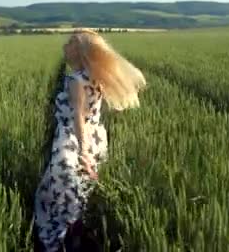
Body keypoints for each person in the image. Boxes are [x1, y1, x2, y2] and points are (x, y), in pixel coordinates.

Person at [33, 28, 146, 251]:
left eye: (69, 43)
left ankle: (63, 239)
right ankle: (76, 234)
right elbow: (92, 111)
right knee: (79, 189)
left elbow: (78, 116)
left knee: (59, 190)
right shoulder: (94, 76)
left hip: (73, 139)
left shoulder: (75, 79)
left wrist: (82, 151)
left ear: (79, 50)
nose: (64, 47)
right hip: (96, 137)